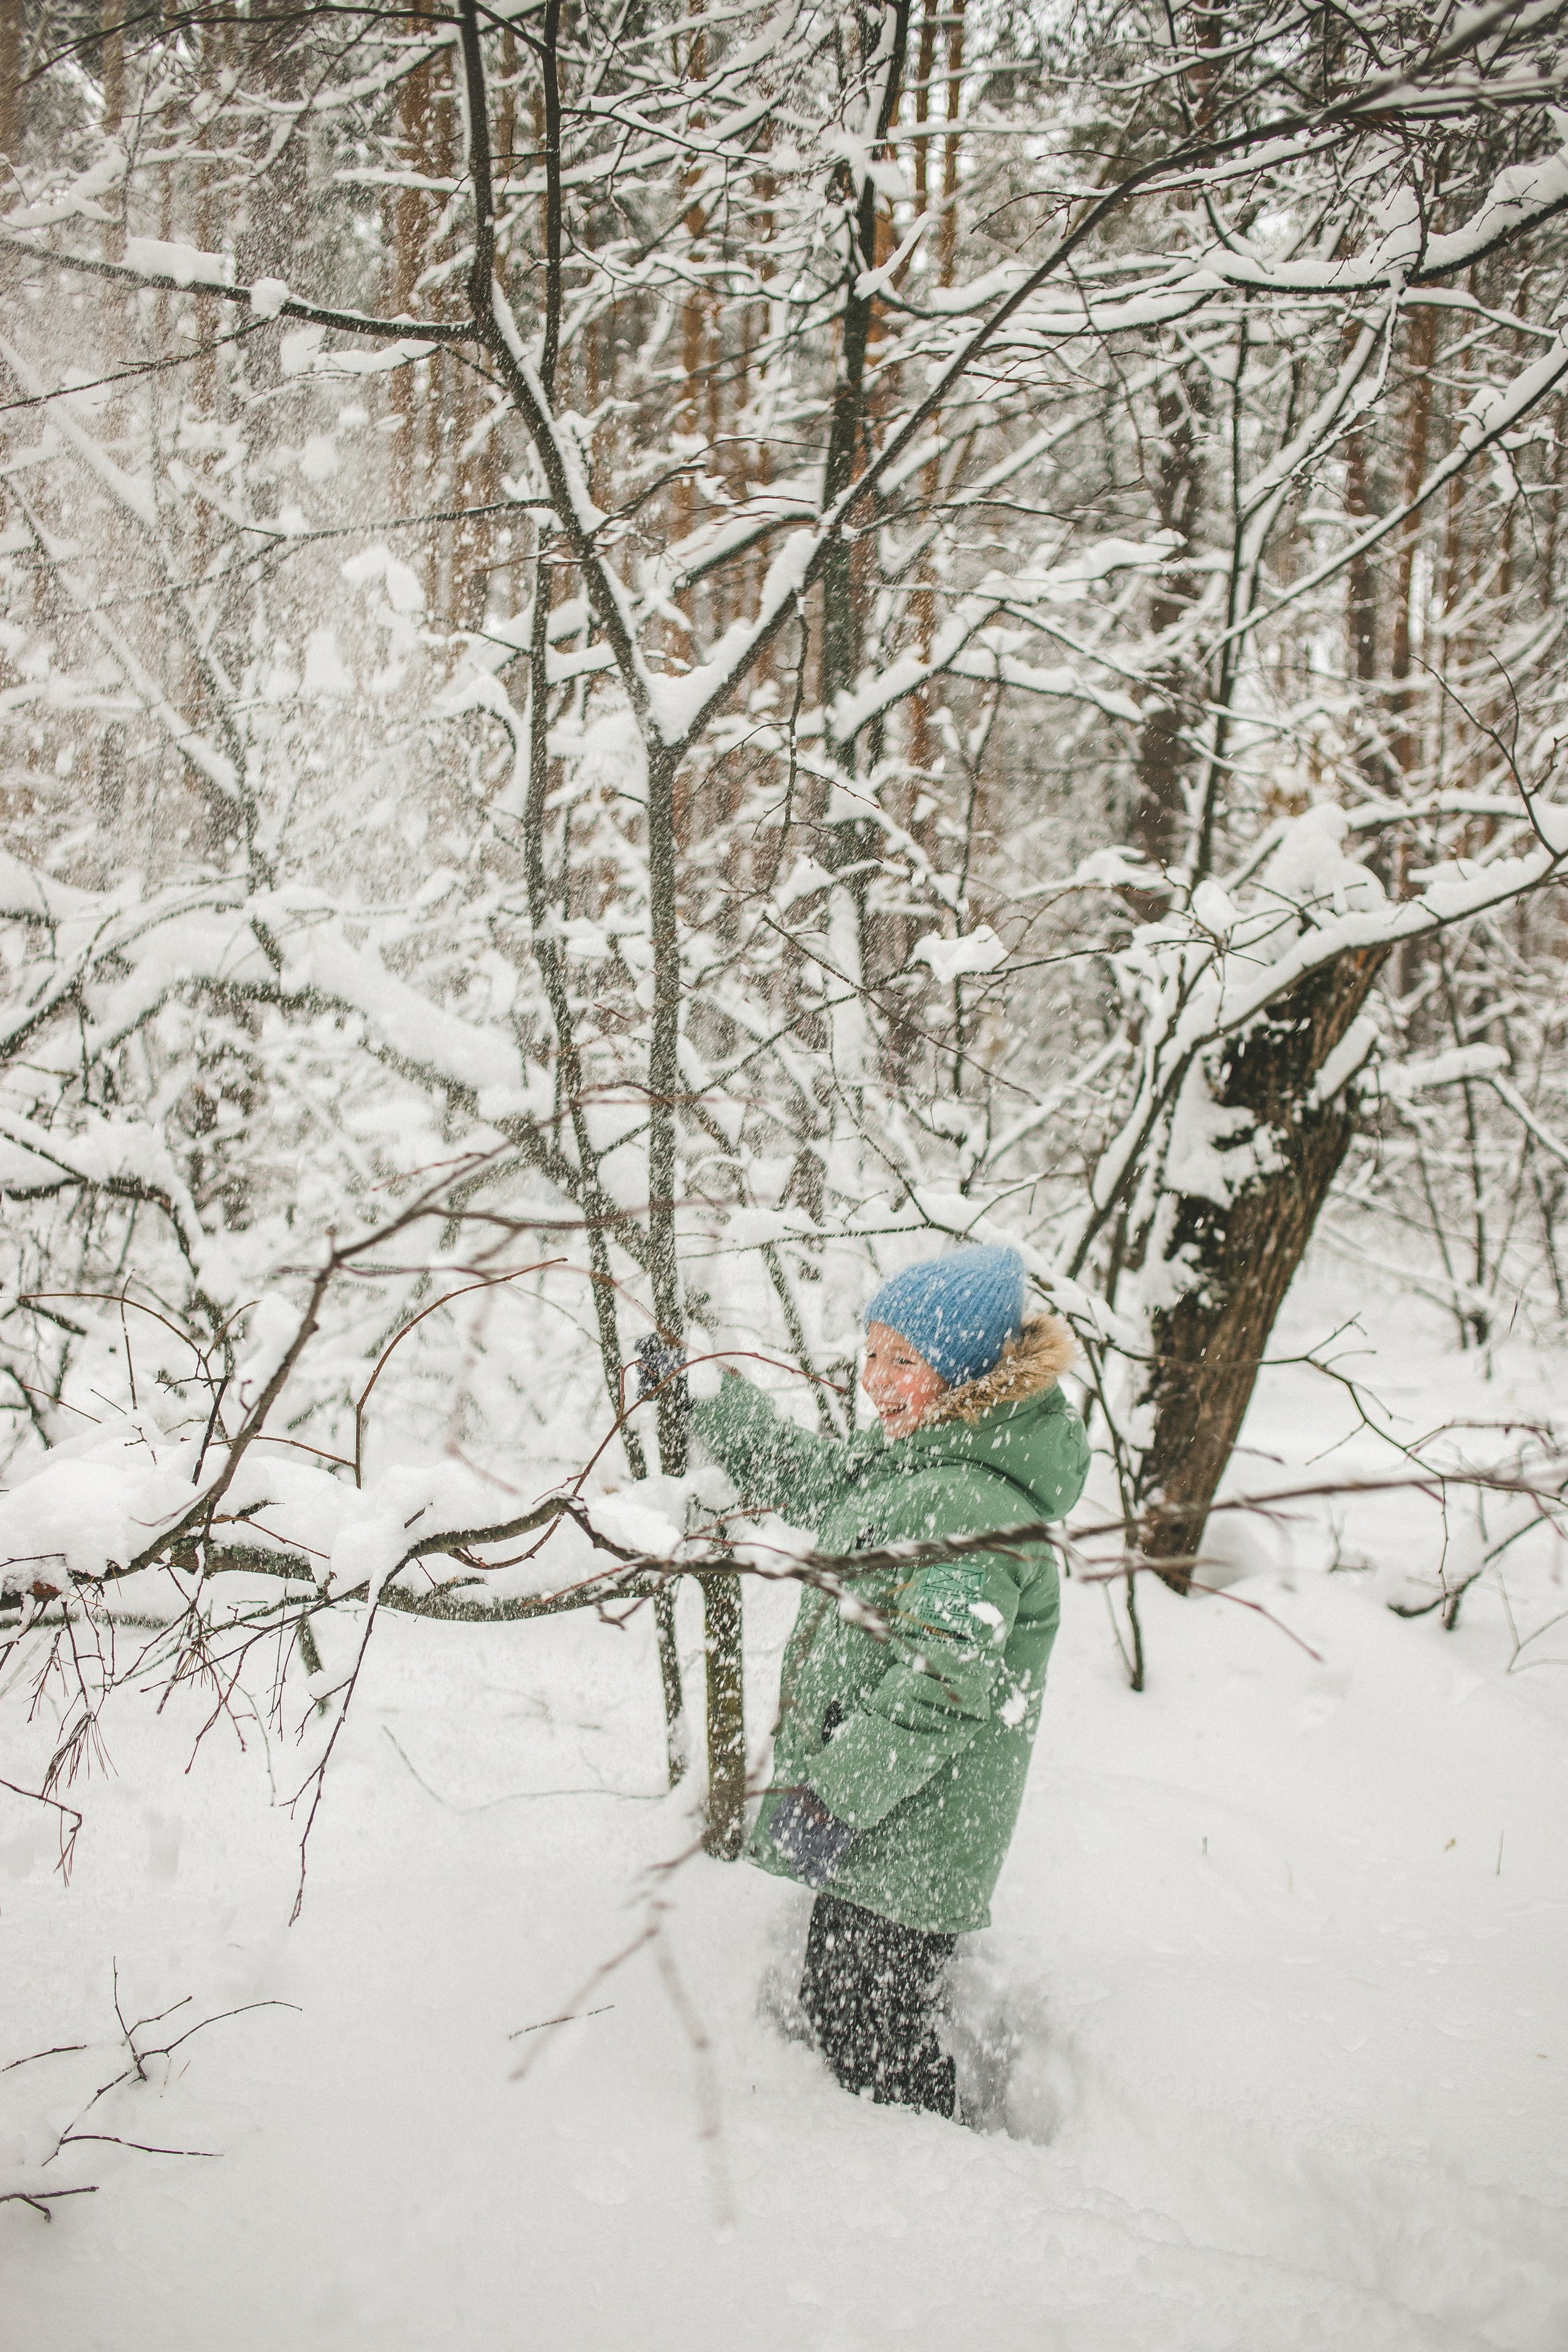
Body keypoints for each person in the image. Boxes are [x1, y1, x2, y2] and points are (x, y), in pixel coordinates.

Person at [643, 1242, 1089, 2120]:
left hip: (914, 1834)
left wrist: (834, 1798)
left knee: (866, 2033)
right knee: (851, 2008)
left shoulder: (973, 1505)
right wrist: (704, 1392)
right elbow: (807, 1476)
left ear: (963, 1373)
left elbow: (944, 1687)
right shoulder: (919, 1459)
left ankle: (942, 2170)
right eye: (871, 1355)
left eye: (904, 1361)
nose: (876, 1381)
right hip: (886, 1824)